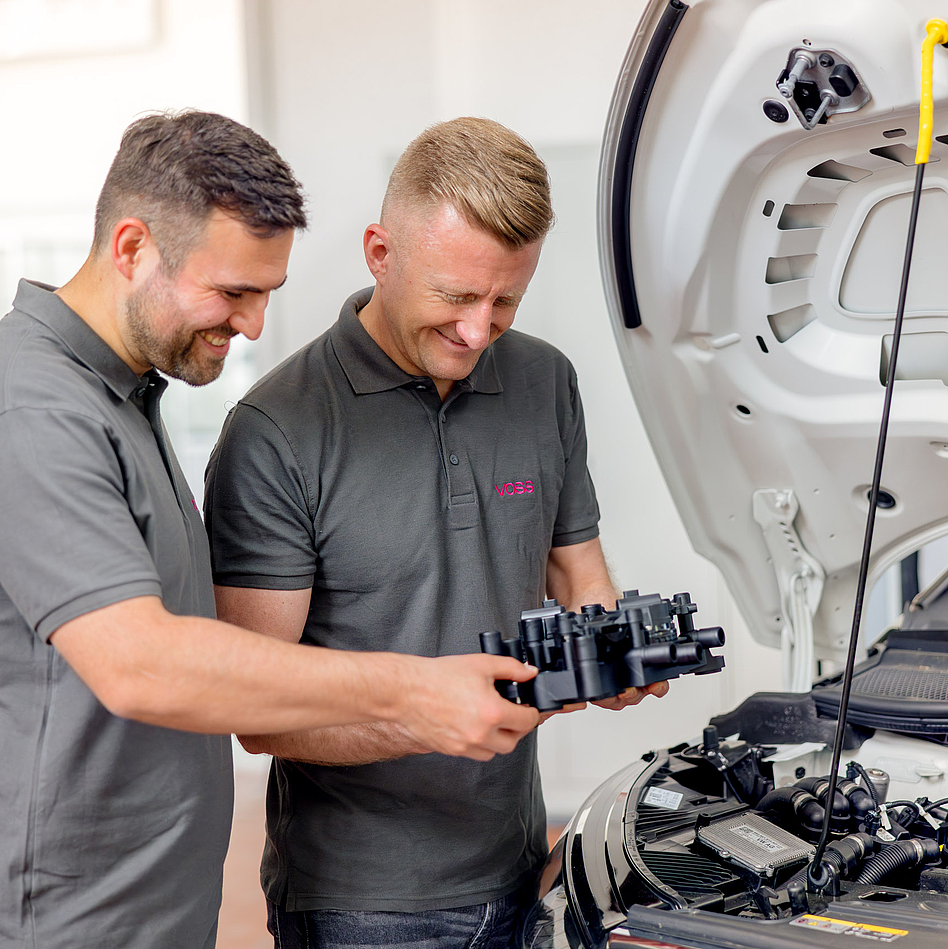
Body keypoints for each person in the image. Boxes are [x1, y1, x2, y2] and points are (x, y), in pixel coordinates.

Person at [0, 110, 540, 949]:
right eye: (232, 292)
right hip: (66, 922)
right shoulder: (33, 409)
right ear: (133, 248)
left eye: (266, 295)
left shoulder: (125, 400)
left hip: (156, 908)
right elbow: (139, 662)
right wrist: (413, 694)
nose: (252, 326)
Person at [204, 116, 668, 949]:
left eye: (505, 300)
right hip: (362, 903)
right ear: (380, 253)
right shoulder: (277, 428)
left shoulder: (544, 380)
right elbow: (256, 709)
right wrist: (424, 715)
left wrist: (612, 653)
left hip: (524, 858)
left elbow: (581, 577)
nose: (478, 331)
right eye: (455, 296)